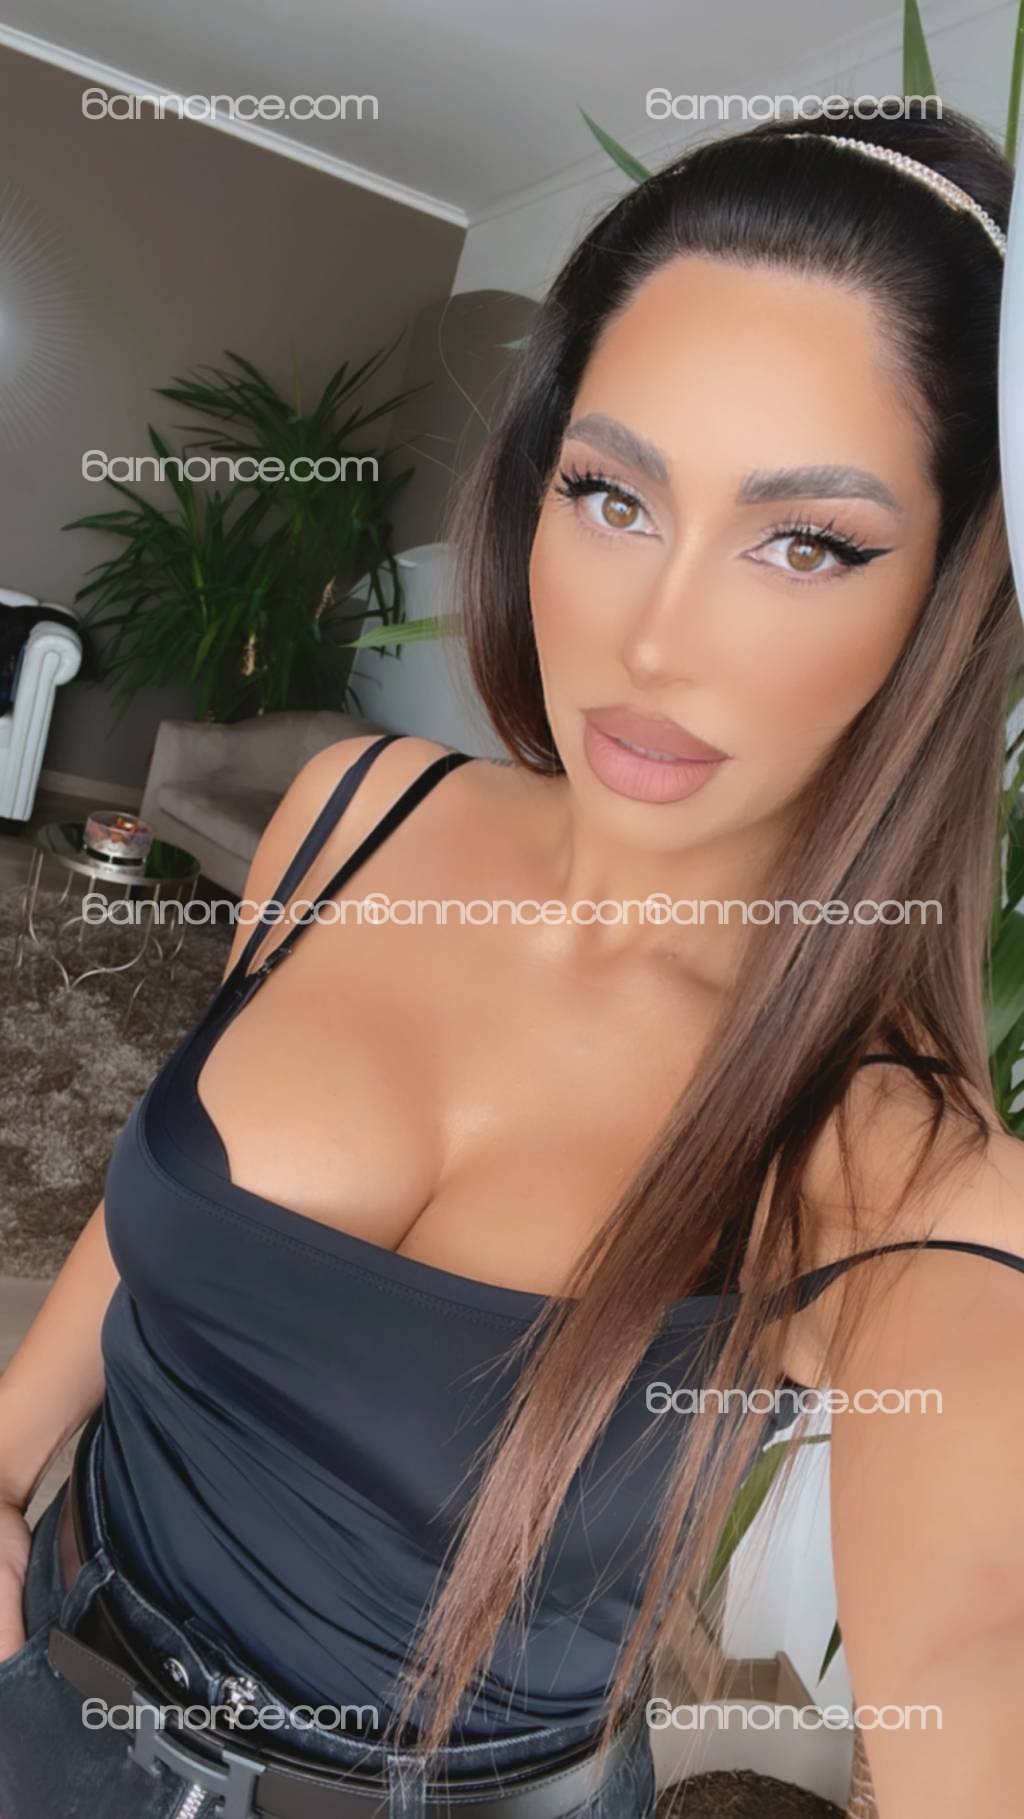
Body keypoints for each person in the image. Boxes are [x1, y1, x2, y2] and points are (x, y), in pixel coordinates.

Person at [1, 106, 1022, 1819]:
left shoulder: (897, 1160)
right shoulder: (356, 812)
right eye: (612, 496)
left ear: (948, 600)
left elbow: (981, 1646)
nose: (653, 639)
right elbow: (176, 1208)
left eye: (806, 543)